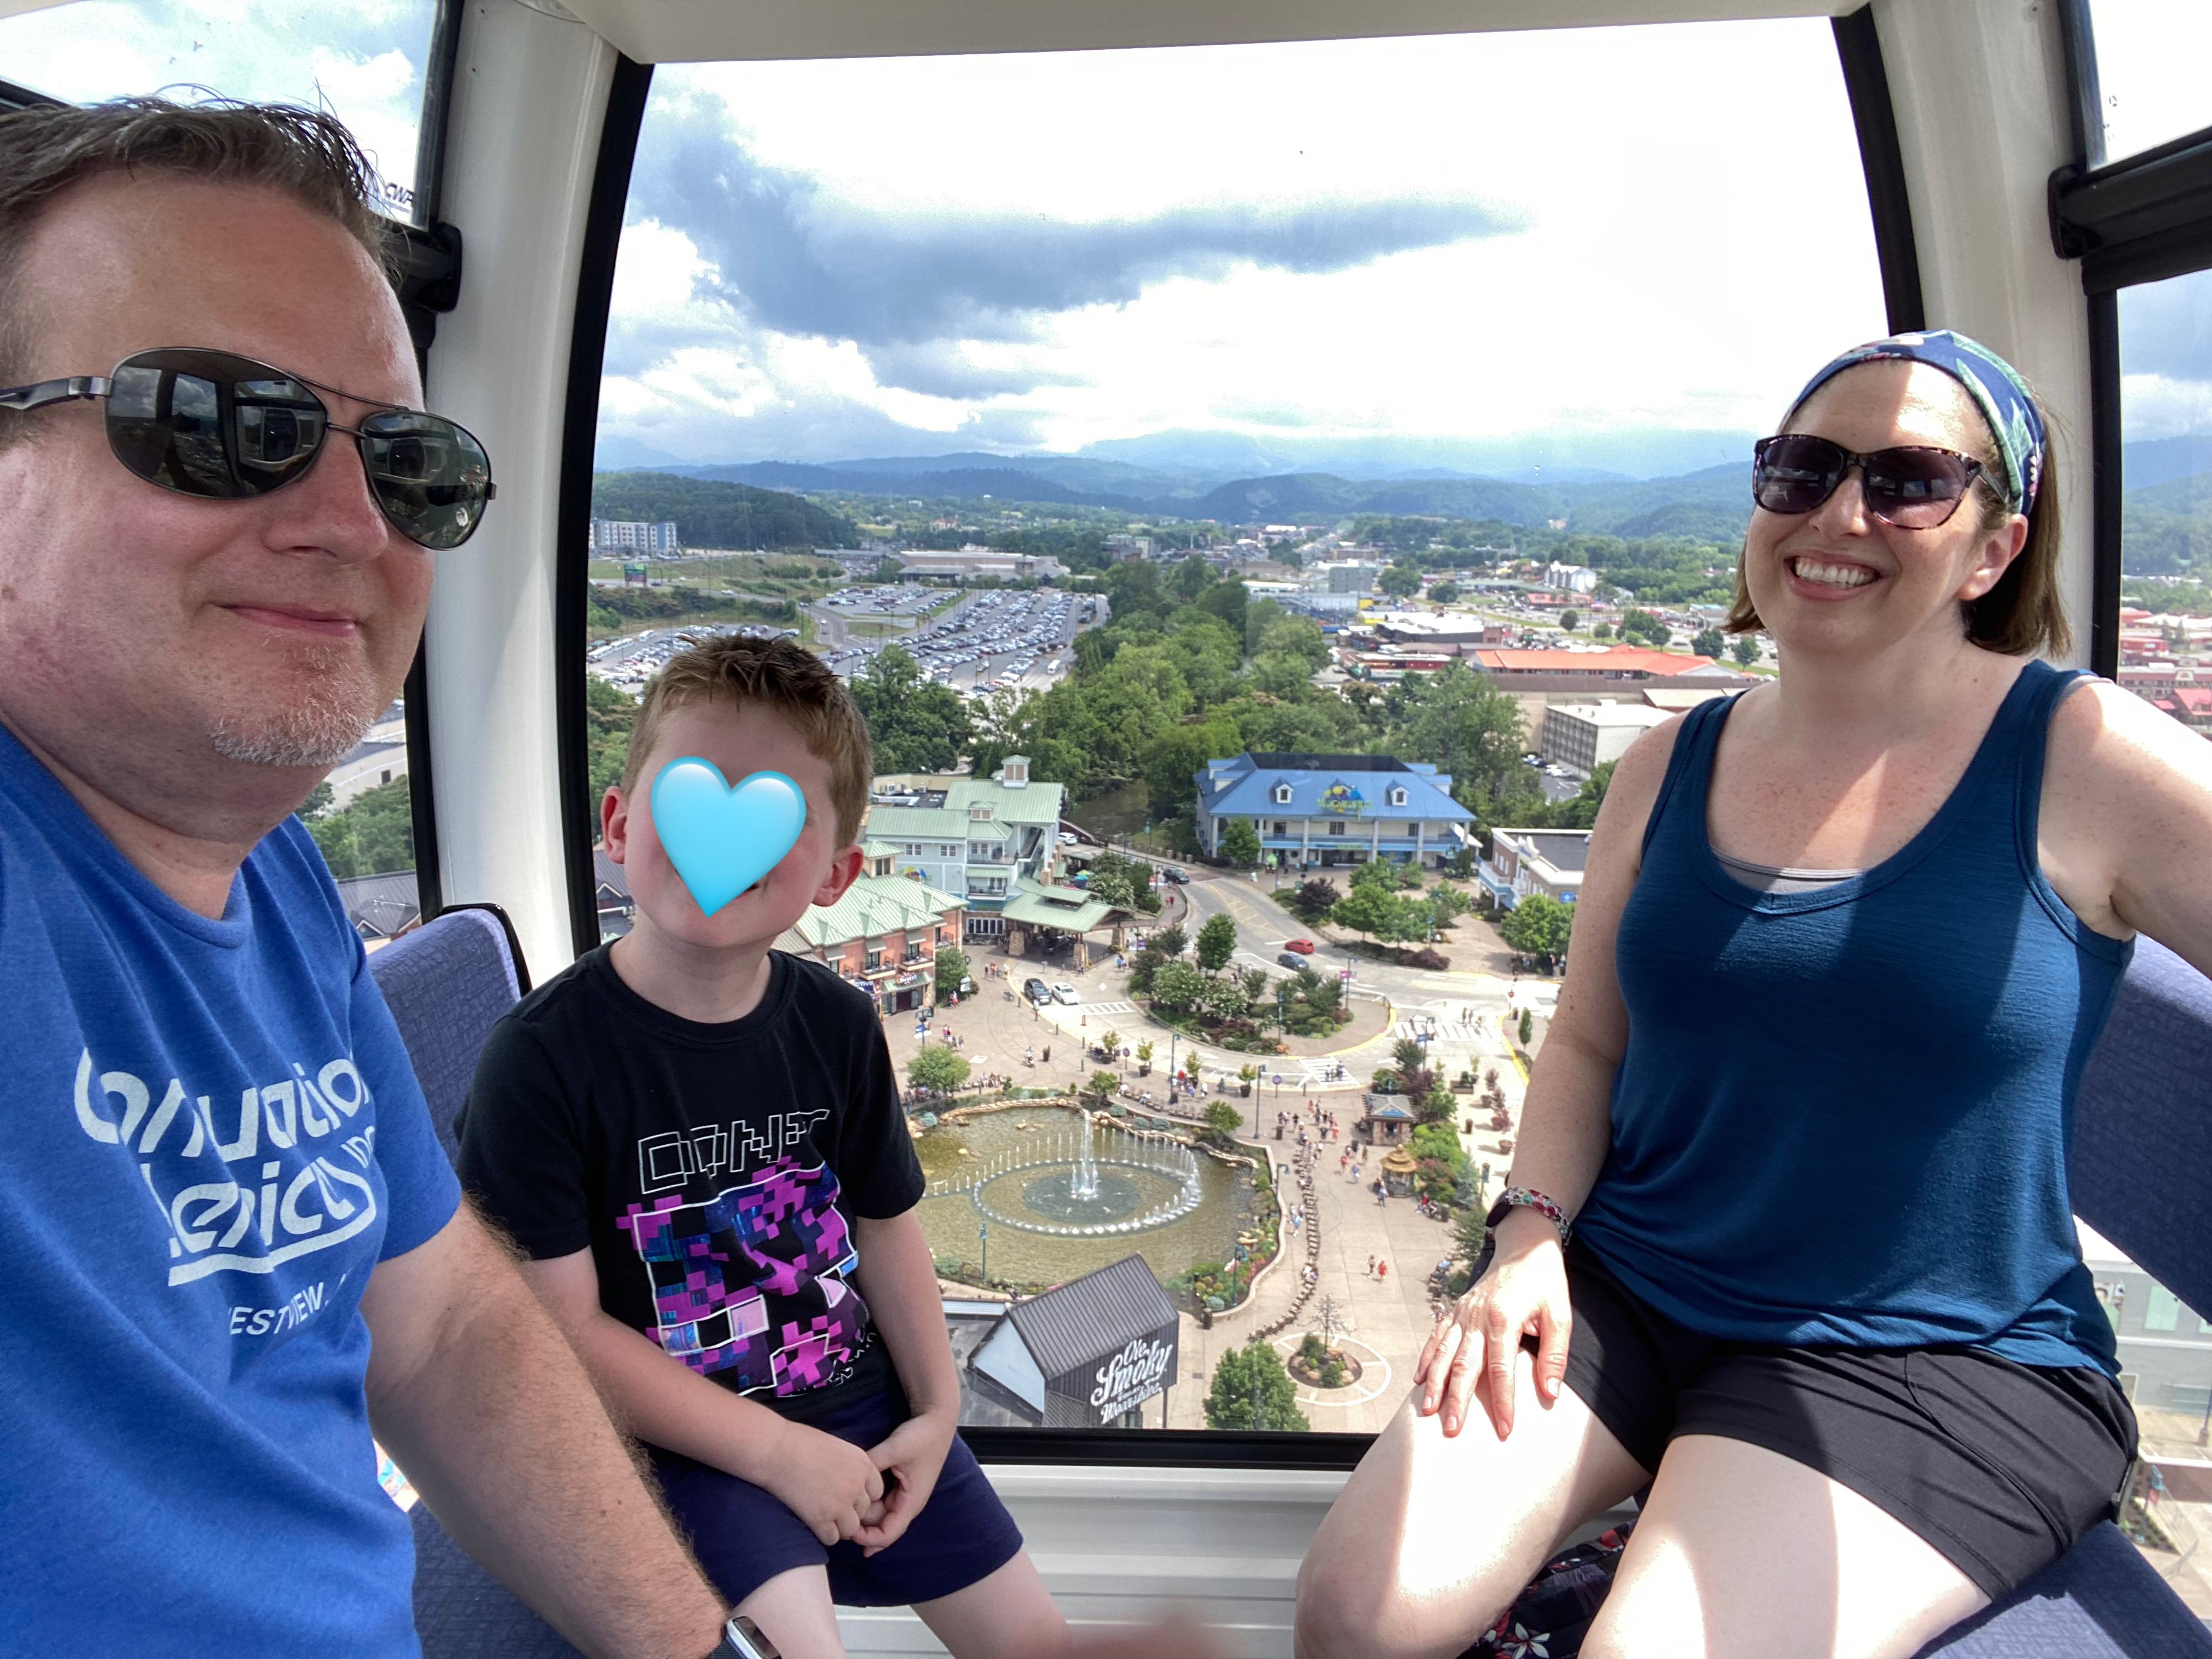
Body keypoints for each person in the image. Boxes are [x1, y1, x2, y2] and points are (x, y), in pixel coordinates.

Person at [1298, 331, 2212, 1659]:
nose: (1838, 512)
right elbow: (1587, 1043)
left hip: (1927, 1352)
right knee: (1354, 1615)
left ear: (1994, 546)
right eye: (1799, 469)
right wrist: (1526, 1239)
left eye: (1906, 479)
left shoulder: (2081, 757)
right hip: (1633, 1283)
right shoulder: (1670, 760)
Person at [0, 98, 740, 1658]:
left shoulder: (270, 885)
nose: (350, 524)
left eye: (408, 466)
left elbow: (448, 1325)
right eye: (214, 422)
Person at [459, 637, 1069, 1659]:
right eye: (694, 798)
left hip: (861, 1397)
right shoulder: (544, 1060)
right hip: (683, 1445)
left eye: (772, 812)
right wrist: (779, 1454)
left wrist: (936, 1410)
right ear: (618, 825)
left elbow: (885, 1224)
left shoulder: (835, 1022)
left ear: (836, 875)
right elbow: (560, 1334)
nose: (723, 846)